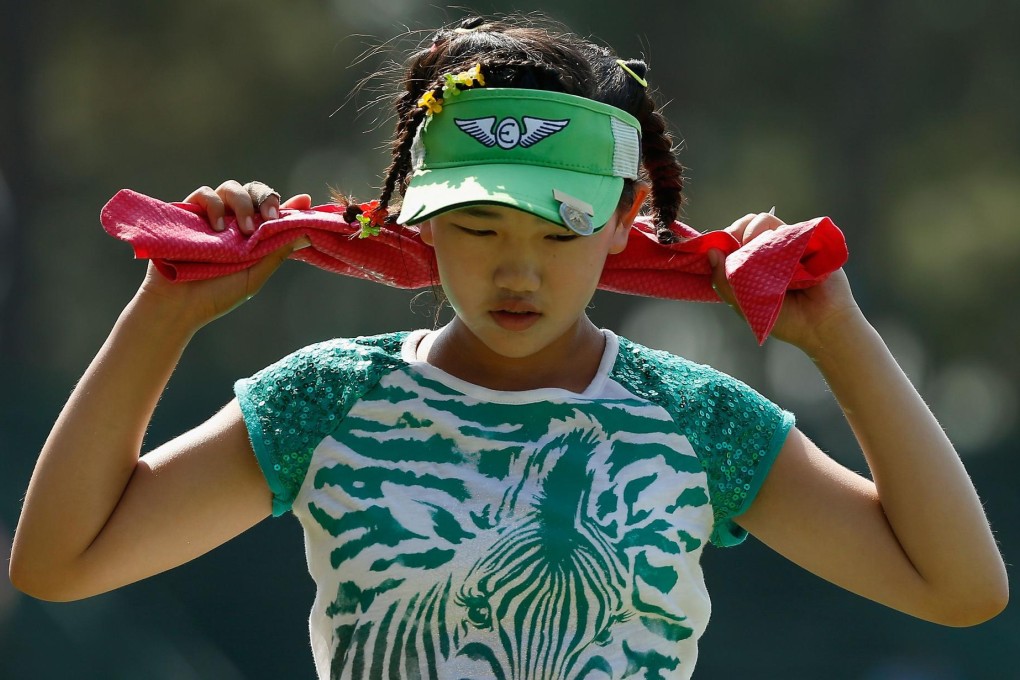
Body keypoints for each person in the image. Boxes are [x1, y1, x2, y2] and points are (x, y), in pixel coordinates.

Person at [9, 15, 1008, 680]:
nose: (518, 272)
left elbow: (960, 588)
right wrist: (167, 309)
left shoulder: (697, 418)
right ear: (416, 215)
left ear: (627, 216)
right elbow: (59, 563)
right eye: (480, 226)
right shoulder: (326, 402)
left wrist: (838, 335)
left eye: (560, 233)